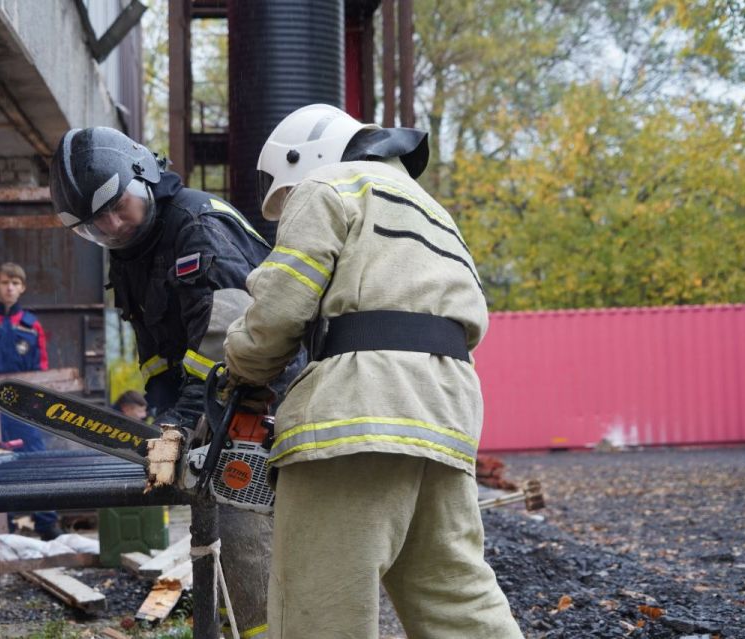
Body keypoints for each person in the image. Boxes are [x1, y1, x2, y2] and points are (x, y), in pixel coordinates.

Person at [223, 104, 524, 639]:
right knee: (456, 595)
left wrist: (240, 364)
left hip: (357, 416)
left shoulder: (327, 184)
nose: (289, 202)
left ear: (305, 157)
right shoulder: (433, 211)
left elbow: (279, 307)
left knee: (320, 606)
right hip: (447, 417)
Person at [49, 127, 280, 638]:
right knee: (223, 522)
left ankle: (266, 630)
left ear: (143, 175)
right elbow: (156, 359)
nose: (110, 225)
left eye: (116, 206)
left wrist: (181, 420)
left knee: (244, 525)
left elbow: (226, 343)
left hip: (265, 396)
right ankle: (242, 625)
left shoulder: (197, 227)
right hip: (219, 408)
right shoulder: (131, 254)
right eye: (93, 225)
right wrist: (162, 418)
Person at [0, 262, 63, 541]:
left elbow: (41, 369)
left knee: (37, 460)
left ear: (22, 288)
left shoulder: (31, 326)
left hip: (23, 406)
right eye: (5, 282)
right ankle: (5, 523)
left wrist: (37, 404)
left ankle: (47, 523)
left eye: (15, 283)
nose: (9, 287)